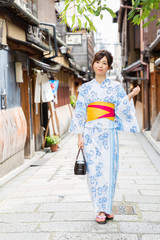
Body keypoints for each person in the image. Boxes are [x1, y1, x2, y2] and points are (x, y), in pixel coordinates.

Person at [69, 50, 140, 224]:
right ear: (93, 64)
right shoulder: (85, 88)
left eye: (104, 63)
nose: (100, 66)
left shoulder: (115, 86)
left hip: (109, 134)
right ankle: (99, 209)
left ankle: (107, 208)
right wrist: (80, 136)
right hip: (91, 133)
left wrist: (131, 95)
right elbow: (80, 113)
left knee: (109, 171)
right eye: (98, 62)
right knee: (94, 172)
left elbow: (121, 107)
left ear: (109, 67)